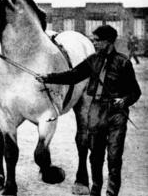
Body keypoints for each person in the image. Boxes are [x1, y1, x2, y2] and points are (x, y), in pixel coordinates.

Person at [36, 25, 141, 196]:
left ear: (108, 42)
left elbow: (135, 92)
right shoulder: (93, 60)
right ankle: (95, 190)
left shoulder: (123, 63)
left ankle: (112, 192)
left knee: (114, 157)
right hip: (96, 111)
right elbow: (73, 75)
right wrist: (48, 78)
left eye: (97, 41)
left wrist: (124, 101)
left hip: (116, 114)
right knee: (96, 155)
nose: (94, 43)